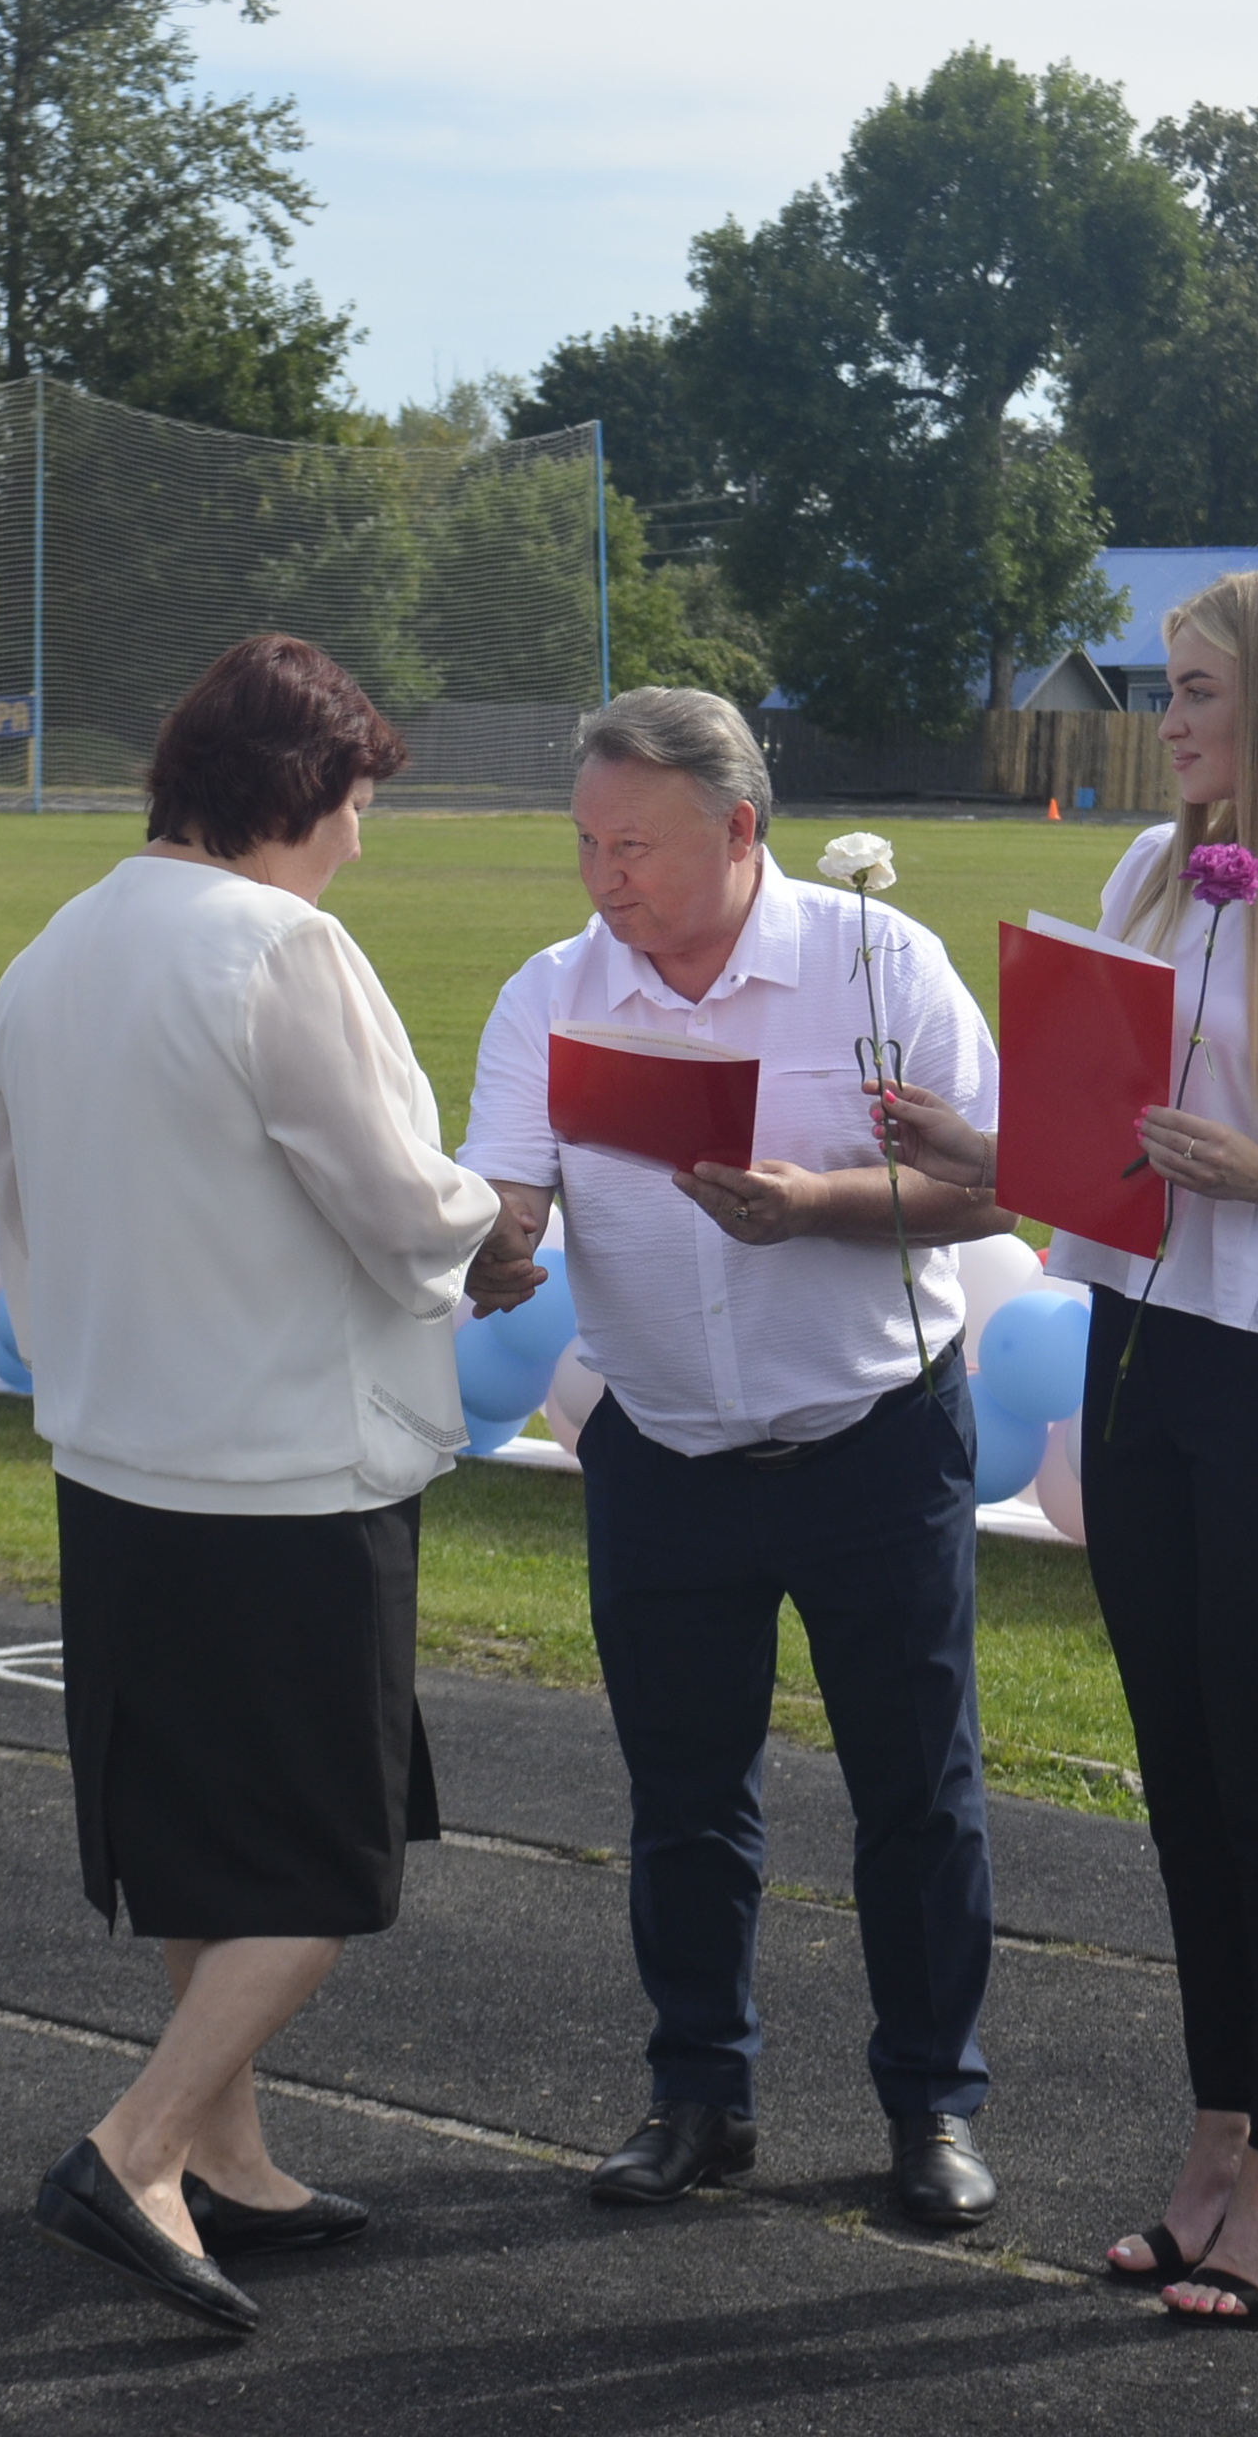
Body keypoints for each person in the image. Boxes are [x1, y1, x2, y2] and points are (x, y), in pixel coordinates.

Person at [877, 568, 1258, 2326]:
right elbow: (1098, 1138)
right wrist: (973, 1137)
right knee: (1182, 1781)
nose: (1172, 718)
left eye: (1201, 691)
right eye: (1169, 687)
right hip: (1138, 1348)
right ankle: (1216, 2143)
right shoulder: (1151, 873)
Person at [0, 633, 508, 2335]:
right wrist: (499, 1224)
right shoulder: (281, 946)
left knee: (199, 1840)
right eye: (355, 802)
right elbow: (394, 1196)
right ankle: (138, 2149)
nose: (362, 838)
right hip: (287, 1462)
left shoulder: (53, 945)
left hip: (121, 1451)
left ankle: (231, 2158)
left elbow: (28, 1216)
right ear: (295, 794)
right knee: (316, 1863)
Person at [456, 686, 1018, 2230]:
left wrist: (819, 1205)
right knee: (683, 1795)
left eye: (634, 844)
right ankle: (698, 2095)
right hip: (662, 1450)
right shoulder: (551, 994)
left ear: (742, 829)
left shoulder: (876, 960)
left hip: (874, 1437)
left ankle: (931, 2110)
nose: (602, 876)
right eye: (584, 840)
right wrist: (494, 1252)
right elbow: (506, 1192)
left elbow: (1003, 1190)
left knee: (917, 1792)